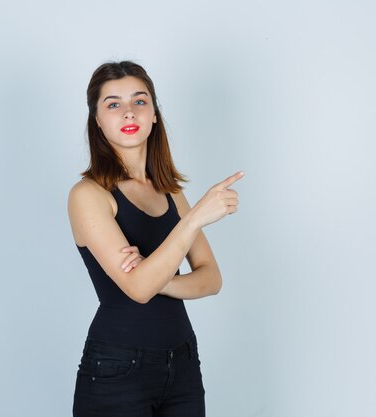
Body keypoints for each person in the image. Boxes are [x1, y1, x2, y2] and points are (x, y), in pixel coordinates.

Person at [67, 60, 244, 417]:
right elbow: (138, 289)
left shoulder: (169, 191)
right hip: (117, 369)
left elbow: (211, 279)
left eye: (140, 101)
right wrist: (193, 218)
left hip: (182, 362)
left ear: (155, 115)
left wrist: (157, 277)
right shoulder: (88, 195)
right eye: (113, 104)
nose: (128, 111)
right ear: (97, 120)